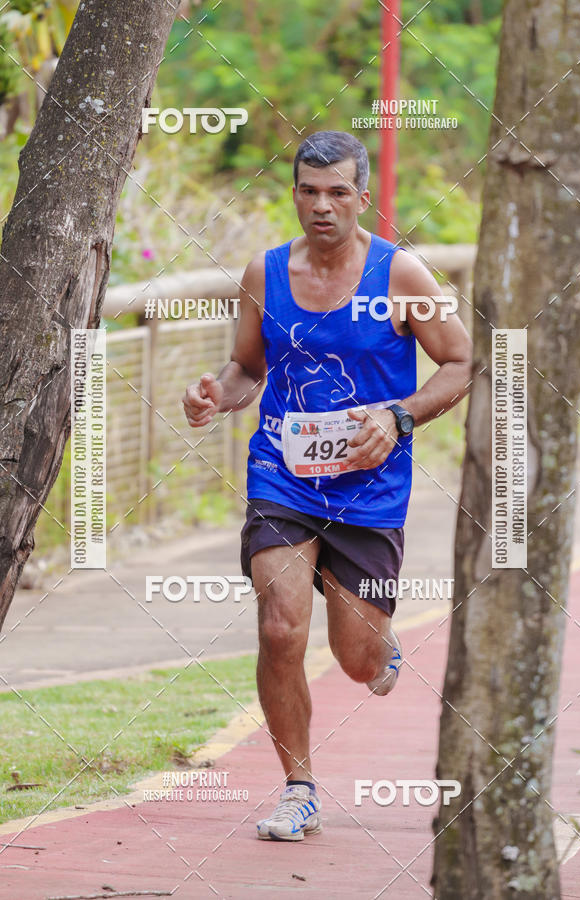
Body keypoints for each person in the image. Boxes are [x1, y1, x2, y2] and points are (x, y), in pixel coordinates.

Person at [182, 131, 472, 842]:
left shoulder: (401, 275)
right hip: (282, 477)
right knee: (280, 627)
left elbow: (462, 362)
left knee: (356, 658)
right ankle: (298, 790)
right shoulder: (265, 273)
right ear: (294, 195)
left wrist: (400, 416)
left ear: (361, 198)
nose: (322, 206)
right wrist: (217, 393)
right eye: (309, 192)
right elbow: (248, 367)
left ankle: (380, 642)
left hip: (368, 490)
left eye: (338, 192)